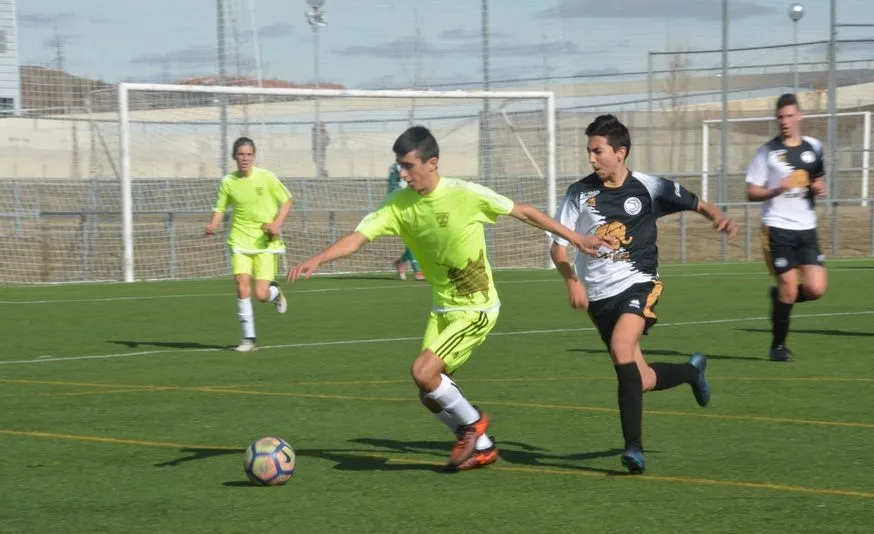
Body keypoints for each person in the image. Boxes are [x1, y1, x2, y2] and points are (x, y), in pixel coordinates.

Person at [288, 126, 613, 472]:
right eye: (400, 166)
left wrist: (576, 238)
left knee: (422, 371)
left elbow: (524, 211)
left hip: (476, 308)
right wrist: (319, 259)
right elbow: (357, 238)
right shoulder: (398, 204)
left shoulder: (464, 193)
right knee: (428, 393)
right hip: (443, 309)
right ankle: (483, 447)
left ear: (432, 163)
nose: (403, 174)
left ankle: (472, 426)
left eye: (409, 166)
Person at [550, 114, 735, 474]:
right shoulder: (578, 193)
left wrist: (716, 215)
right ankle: (691, 372)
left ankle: (633, 449)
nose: (591, 158)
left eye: (597, 151)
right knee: (642, 378)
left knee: (622, 348)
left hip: (639, 282)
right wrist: (571, 279)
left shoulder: (649, 187)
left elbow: (694, 201)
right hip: (598, 297)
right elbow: (558, 246)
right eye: (589, 151)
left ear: (620, 152)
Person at [744, 93, 828, 362]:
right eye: (780, 117)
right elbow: (751, 192)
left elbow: (817, 180)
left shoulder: (814, 147)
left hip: (807, 229)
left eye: (790, 116)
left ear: (799, 116)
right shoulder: (767, 152)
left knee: (816, 289)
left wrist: (819, 187)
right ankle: (778, 347)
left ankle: (780, 297)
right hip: (777, 228)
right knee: (790, 287)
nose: (785, 121)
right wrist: (777, 189)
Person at [205, 137, 293, 352]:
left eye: (249, 154)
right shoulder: (228, 182)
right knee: (241, 284)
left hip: (265, 242)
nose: (245, 158)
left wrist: (277, 223)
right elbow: (220, 208)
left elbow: (287, 200)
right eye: (241, 154)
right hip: (239, 240)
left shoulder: (267, 177)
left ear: (254, 156)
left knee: (261, 295)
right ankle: (249, 339)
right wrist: (213, 224)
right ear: (234, 156)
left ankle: (274, 292)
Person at [386, 161, 425, 281]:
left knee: (419, 239)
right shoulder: (396, 168)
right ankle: (417, 269)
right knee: (412, 237)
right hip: (401, 207)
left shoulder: (415, 164)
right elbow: (392, 189)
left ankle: (401, 262)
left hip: (414, 205)